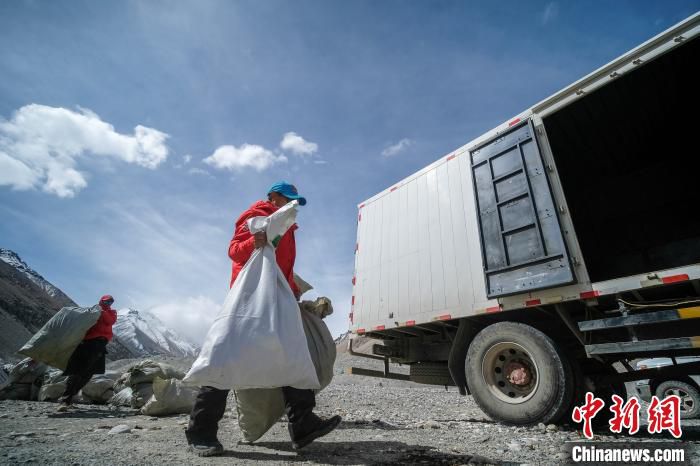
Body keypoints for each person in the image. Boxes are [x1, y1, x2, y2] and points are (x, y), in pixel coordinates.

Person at [185, 181, 341, 457]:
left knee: (293, 353)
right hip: (249, 298)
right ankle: (201, 432)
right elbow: (234, 251)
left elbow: (282, 268)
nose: (291, 205)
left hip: (279, 299)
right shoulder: (257, 214)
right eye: (287, 199)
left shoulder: (286, 227)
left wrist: (294, 297)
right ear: (273, 196)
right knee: (224, 357)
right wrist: (251, 241)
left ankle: (303, 424)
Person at [57, 295, 117, 411]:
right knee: (78, 370)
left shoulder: (111, 313)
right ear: (101, 301)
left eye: (110, 302)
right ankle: (65, 399)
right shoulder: (93, 311)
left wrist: (101, 311)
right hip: (88, 344)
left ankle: (69, 397)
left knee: (89, 373)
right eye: (106, 302)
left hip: (99, 345)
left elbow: (110, 321)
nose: (108, 304)